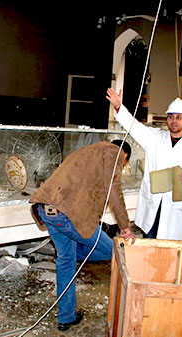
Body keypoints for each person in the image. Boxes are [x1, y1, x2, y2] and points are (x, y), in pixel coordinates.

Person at [29, 140, 135, 331]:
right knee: (113, 252)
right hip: (68, 215)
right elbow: (114, 189)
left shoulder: (88, 151)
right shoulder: (113, 154)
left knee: (66, 259)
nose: (122, 165)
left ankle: (66, 317)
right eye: (124, 162)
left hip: (47, 209)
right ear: (124, 156)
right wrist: (125, 226)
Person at [106, 88, 182, 240]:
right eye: (171, 117)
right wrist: (118, 107)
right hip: (153, 204)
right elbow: (134, 126)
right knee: (149, 242)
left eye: (179, 117)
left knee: (171, 249)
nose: (174, 121)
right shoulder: (154, 137)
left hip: (176, 207)